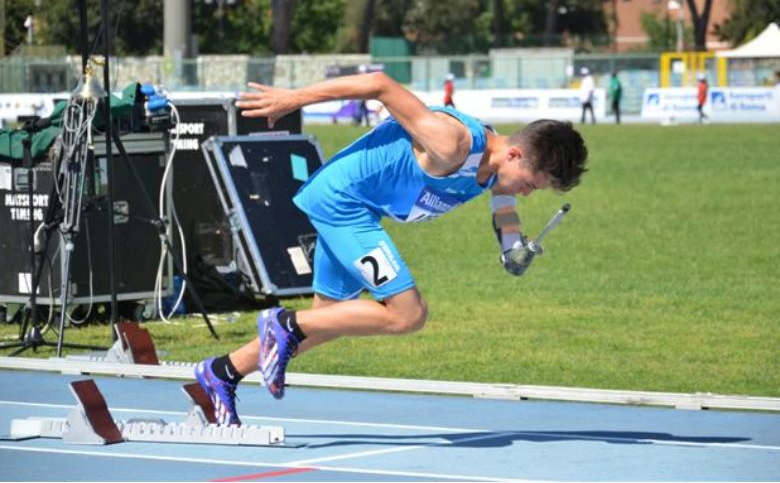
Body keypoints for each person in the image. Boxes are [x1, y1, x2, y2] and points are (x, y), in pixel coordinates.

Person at [193, 72, 588, 424]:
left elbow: (504, 202)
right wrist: (295, 98)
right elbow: (380, 85)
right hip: (343, 204)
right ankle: (282, 322)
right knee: (407, 314)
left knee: (330, 321)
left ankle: (222, 372)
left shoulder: (496, 168)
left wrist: (511, 245)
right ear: (516, 154)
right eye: (532, 184)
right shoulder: (453, 143)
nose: (527, 192)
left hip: (358, 210)